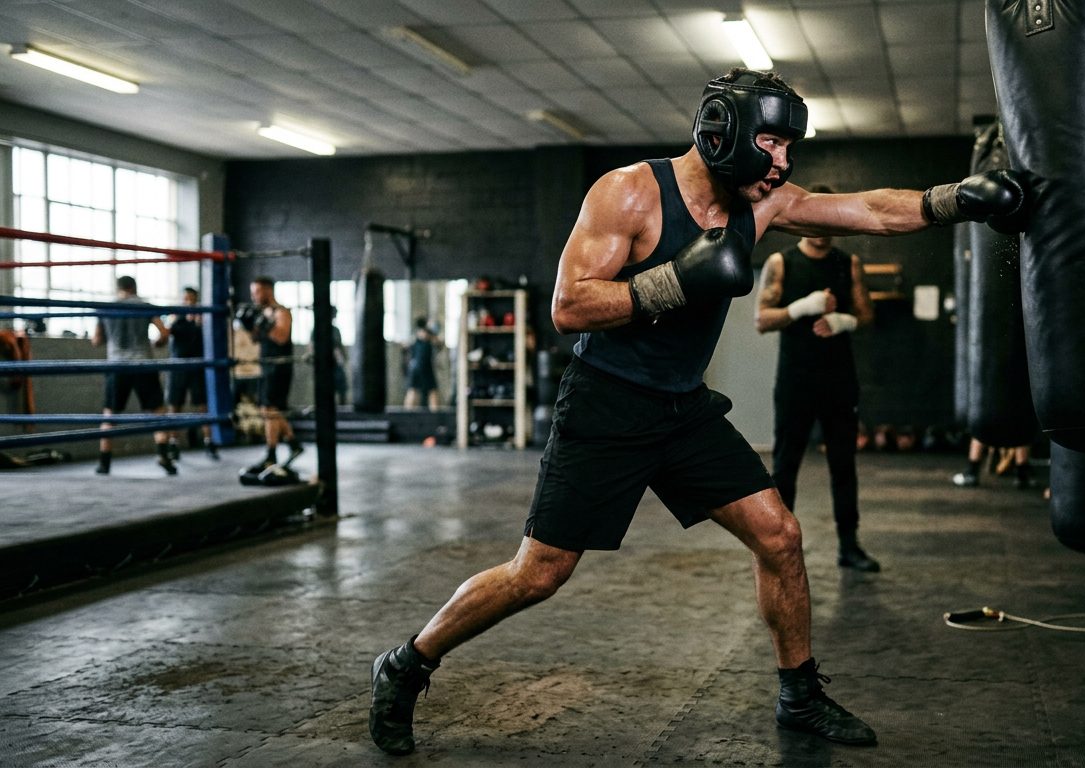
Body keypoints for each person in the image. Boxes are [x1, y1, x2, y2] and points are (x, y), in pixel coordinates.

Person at [368, 68, 1030, 756]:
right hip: (606, 403)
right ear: (724, 131)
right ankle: (407, 663)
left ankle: (799, 695)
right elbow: (569, 306)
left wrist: (957, 199)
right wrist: (673, 281)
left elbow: (868, 211)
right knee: (539, 573)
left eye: (788, 148)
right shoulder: (629, 192)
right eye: (771, 144)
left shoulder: (763, 205)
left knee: (779, 536)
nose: (783, 164)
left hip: (684, 409)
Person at [756, 191, 880, 571]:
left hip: (839, 380)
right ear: (804, 221)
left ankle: (849, 546)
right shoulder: (782, 263)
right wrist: (801, 307)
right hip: (795, 379)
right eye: (816, 222)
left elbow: (867, 315)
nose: (822, 230)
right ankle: (778, 548)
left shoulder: (848, 264)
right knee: (785, 465)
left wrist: (845, 321)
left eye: (829, 222)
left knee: (843, 464)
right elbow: (762, 320)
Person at [92, 275, 173, 475]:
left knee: (109, 415)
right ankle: (163, 455)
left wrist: (113, 335)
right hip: (142, 363)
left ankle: (104, 463)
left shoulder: (106, 308)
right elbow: (164, 333)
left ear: (118, 288)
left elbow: (96, 340)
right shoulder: (145, 306)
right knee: (158, 412)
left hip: (117, 364)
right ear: (134, 288)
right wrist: (157, 343)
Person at [237, 276, 301, 475]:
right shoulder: (263, 312)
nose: (254, 296)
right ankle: (293, 444)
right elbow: (256, 339)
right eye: (252, 292)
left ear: (268, 290)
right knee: (269, 408)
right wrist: (249, 325)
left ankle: (271, 454)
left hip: (280, 366)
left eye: (257, 292)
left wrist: (264, 324)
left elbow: (281, 337)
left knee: (270, 408)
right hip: (266, 365)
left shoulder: (281, 311)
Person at [166, 287, 218, 460]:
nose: (188, 302)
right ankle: (173, 443)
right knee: (175, 405)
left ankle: (209, 441)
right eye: (185, 299)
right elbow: (164, 336)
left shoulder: (203, 317)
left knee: (203, 405)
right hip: (178, 366)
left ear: (196, 300)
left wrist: (201, 322)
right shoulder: (175, 317)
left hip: (198, 366)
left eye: (191, 299)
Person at [403, 316, 440, 409]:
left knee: (425, 390)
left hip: (420, 365)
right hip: (420, 365)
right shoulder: (422, 333)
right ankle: (408, 412)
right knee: (425, 390)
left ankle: (435, 413)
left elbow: (438, 343)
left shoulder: (426, 334)